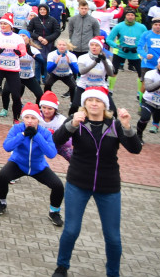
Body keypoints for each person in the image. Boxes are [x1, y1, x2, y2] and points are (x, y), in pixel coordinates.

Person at [51, 87, 141, 277]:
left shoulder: (115, 126)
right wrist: (72, 124)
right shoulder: (77, 121)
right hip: (77, 183)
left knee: (113, 237)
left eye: (98, 101)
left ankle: (113, 273)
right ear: (84, 103)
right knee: (71, 230)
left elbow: (135, 149)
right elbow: (56, 141)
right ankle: (62, 267)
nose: (93, 103)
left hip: (108, 187)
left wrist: (127, 127)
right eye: (90, 100)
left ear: (105, 105)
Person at [0, 102, 65, 226]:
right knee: (2, 176)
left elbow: (52, 154)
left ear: (38, 119)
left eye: (33, 118)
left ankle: (54, 212)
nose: (29, 121)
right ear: (23, 118)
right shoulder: (17, 129)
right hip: (18, 163)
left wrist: (37, 137)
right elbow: (7, 147)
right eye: (27, 117)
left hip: (38, 167)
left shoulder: (45, 133)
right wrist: (23, 135)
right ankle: (1, 203)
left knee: (58, 186)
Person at [137, 53, 160, 146]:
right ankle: (138, 136)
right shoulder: (150, 73)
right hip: (149, 102)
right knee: (144, 118)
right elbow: (148, 88)